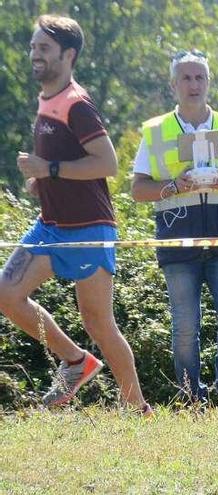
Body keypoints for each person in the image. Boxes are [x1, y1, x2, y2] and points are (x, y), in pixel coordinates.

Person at [3, 15, 149, 411]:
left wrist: (49, 170)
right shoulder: (47, 98)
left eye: (44, 48)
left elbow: (107, 163)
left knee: (98, 323)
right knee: (6, 293)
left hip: (88, 228)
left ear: (68, 55)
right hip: (50, 225)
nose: (35, 54)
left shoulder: (77, 104)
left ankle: (137, 407)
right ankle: (74, 361)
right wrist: (45, 181)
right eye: (33, 46)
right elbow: (68, 159)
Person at [131, 49, 218, 407]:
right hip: (176, 239)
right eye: (186, 78)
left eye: (199, 77)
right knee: (185, 328)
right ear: (173, 85)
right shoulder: (155, 131)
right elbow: (137, 190)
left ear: (209, 83)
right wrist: (172, 186)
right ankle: (190, 396)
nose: (193, 84)